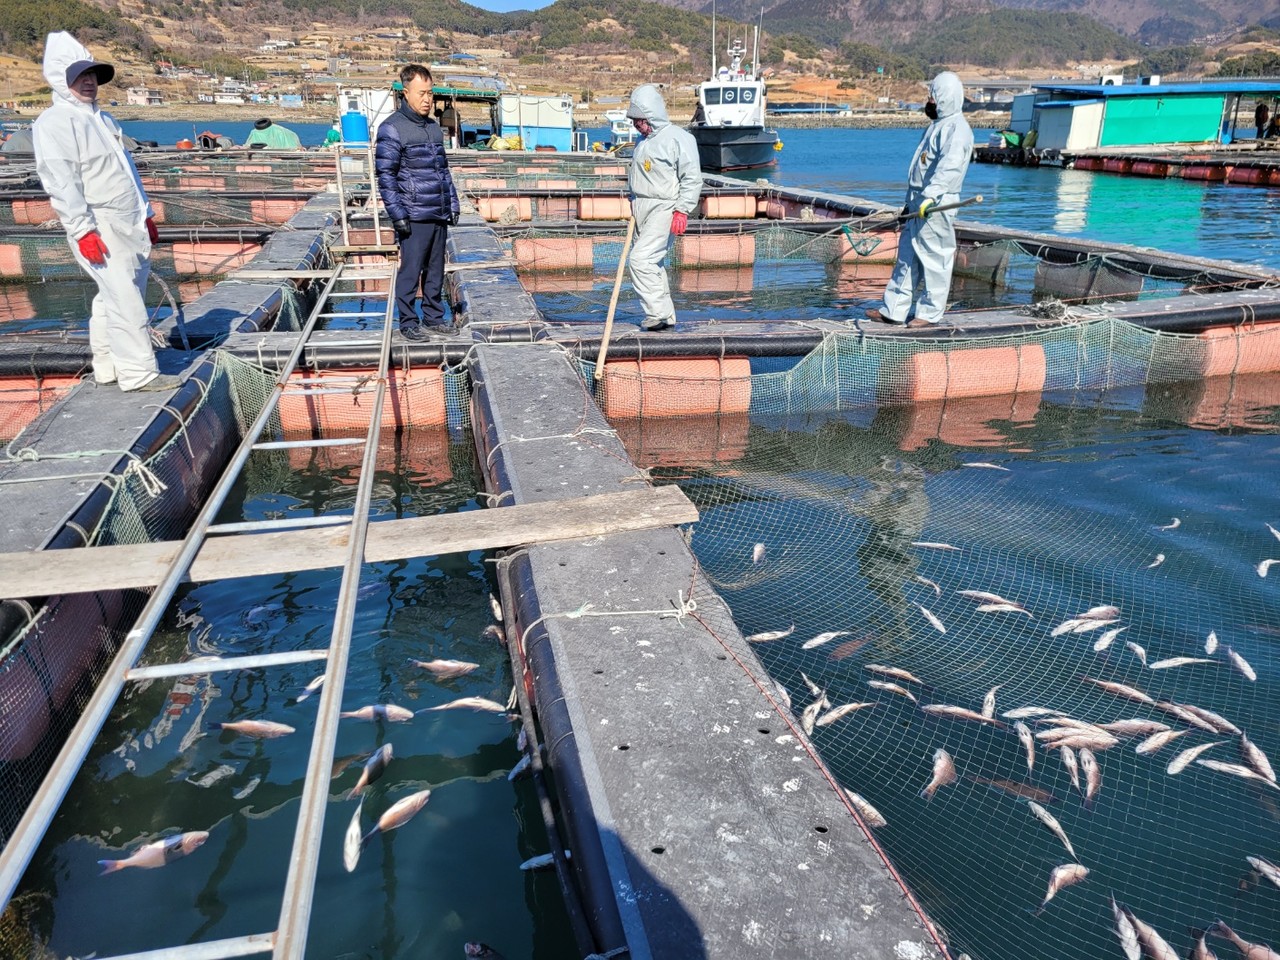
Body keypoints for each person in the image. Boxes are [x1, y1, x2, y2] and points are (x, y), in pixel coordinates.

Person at [32, 32, 179, 392]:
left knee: (111, 295)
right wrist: (83, 231)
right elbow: (61, 182)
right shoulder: (54, 123)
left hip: (128, 220)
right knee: (125, 299)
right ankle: (139, 373)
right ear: (60, 80)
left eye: (93, 75)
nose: (89, 82)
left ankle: (108, 365)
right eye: (80, 76)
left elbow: (127, 173)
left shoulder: (104, 119)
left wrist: (144, 213)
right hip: (100, 224)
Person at [866, 72, 973, 329]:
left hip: (936, 202)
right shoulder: (936, 126)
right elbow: (921, 168)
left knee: (935, 258)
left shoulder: (957, 130)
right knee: (907, 256)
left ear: (944, 97)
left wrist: (931, 197)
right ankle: (894, 310)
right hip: (918, 200)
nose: (929, 101)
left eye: (932, 97)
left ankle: (930, 312)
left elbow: (949, 168)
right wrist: (910, 202)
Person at [375, 64, 460, 340]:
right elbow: (385, 175)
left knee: (436, 269)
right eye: (421, 93)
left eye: (430, 93)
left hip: (437, 211)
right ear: (406, 92)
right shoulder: (393, 129)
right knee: (411, 270)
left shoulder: (434, 129)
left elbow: (442, 170)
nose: (427, 99)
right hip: (413, 214)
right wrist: (397, 213)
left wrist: (453, 203)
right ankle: (408, 321)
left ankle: (434, 316)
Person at [625, 83, 702, 331]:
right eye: (634, 120)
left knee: (640, 260)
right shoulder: (642, 141)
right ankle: (666, 316)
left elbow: (691, 177)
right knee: (653, 262)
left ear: (652, 114)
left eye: (640, 119)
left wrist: (682, 210)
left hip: (664, 207)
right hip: (641, 207)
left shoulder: (680, 139)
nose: (636, 124)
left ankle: (656, 314)